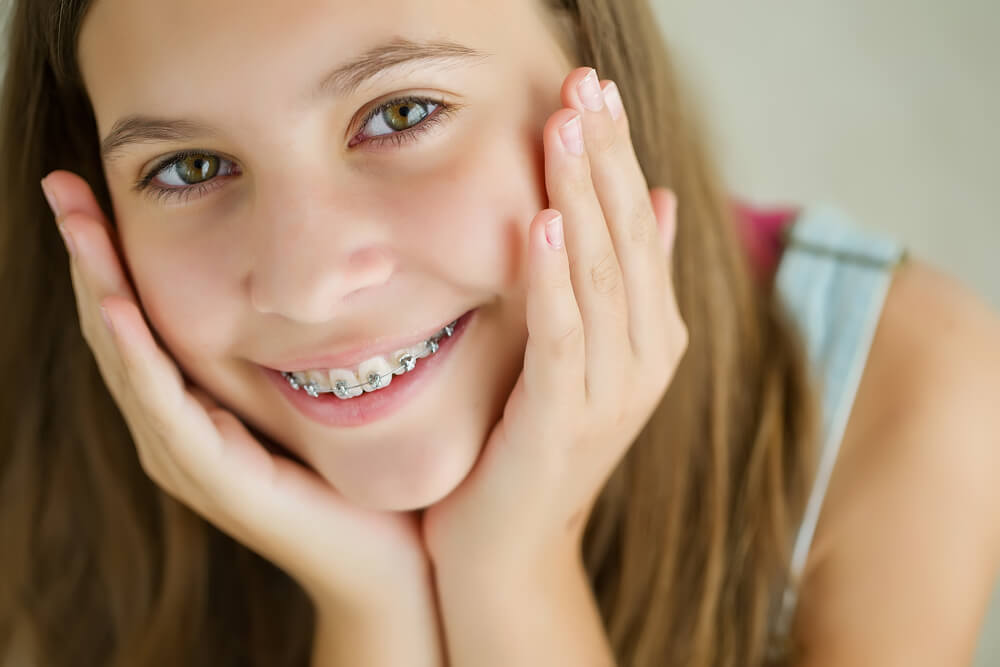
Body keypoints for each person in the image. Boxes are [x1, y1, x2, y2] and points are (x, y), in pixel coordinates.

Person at [2, 1, 999, 665]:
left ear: (593, 69)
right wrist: (370, 612)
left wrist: (512, 569)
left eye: (399, 111)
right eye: (188, 168)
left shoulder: (904, 395)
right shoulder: (32, 446)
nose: (305, 288)